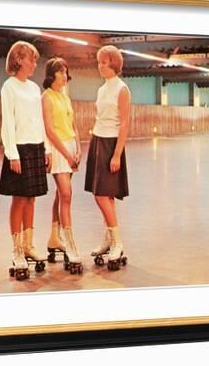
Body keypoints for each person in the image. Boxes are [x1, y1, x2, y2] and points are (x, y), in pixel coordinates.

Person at [0, 41, 51, 281]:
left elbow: (39, 120)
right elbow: (7, 122)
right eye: (32, 59)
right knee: (18, 199)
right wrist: (12, 153)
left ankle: (29, 245)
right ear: (19, 60)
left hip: (36, 146)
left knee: (31, 198)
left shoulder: (33, 89)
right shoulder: (9, 87)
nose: (34, 64)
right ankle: (17, 250)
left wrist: (47, 149)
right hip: (18, 147)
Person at [84, 45, 131, 271]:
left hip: (112, 143)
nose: (100, 66)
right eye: (98, 62)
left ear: (114, 63)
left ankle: (118, 242)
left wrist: (117, 154)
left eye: (103, 62)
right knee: (105, 196)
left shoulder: (122, 89)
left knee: (102, 195)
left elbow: (124, 123)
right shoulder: (102, 89)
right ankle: (109, 240)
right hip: (98, 140)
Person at [41, 57, 83, 274]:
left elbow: (73, 125)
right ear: (51, 75)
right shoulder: (46, 97)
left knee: (60, 195)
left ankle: (54, 238)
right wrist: (66, 153)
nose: (65, 75)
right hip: (58, 149)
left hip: (70, 147)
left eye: (66, 71)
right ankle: (70, 243)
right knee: (66, 194)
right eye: (60, 72)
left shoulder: (65, 97)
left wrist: (78, 146)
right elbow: (49, 129)